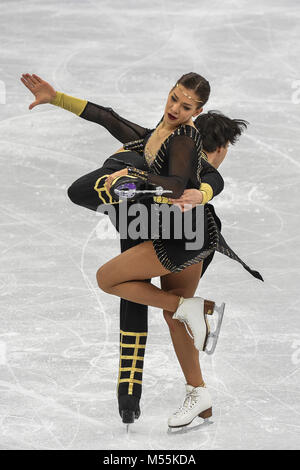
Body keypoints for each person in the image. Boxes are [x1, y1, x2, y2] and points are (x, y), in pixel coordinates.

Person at [20, 72, 263, 430]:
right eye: (174, 98)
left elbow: (211, 179)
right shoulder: (154, 139)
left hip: (183, 235)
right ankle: (199, 393)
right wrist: (56, 98)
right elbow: (108, 118)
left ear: (197, 112)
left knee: (116, 281)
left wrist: (182, 189)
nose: (175, 108)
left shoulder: (185, 142)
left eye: (186, 106)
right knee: (174, 315)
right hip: (187, 235)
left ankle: (194, 310)